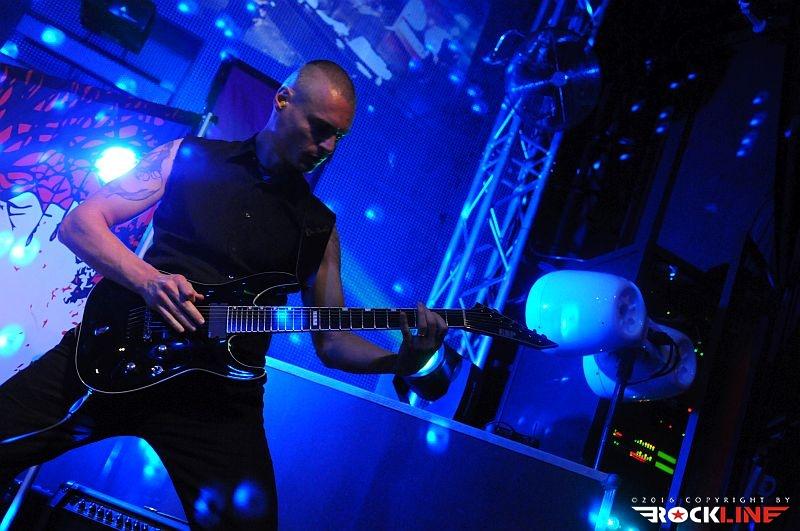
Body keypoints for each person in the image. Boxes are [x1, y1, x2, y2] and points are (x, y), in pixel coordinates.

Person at [0, 59, 448, 530]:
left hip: (216, 400)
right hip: (115, 351)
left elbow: (332, 340)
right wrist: (148, 280)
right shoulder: (188, 157)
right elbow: (80, 225)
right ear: (283, 100)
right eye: (320, 129)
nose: (328, 148)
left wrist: (402, 361)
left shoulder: (319, 229)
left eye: (339, 137)